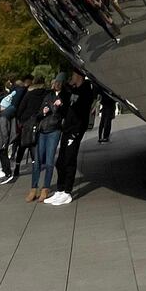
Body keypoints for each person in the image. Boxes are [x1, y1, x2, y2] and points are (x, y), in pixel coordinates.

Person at [48, 70, 95, 206]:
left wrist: (77, 130)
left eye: (73, 76)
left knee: (69, 159)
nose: (71, 78)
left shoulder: (85, 91)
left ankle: (67, 192)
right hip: (67, 128)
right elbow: (66, 106)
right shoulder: (72, 91)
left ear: (79, 76)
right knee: (60, 160)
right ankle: (60, 189)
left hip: (75, 130)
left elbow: (82, 111)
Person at [28, 81, 65, 202]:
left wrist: (59, 106)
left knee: (49, 161)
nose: (56, 85)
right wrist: (43, 112)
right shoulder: (48, 96)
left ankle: (46, 188)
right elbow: (38, 113)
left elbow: (62, 113)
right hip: (43, 129)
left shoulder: (65, 96)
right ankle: (34, 188)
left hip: (54, 130)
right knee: (37, 161)